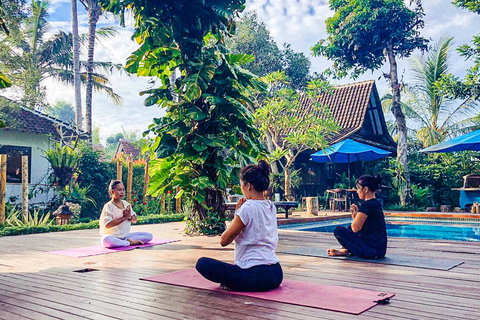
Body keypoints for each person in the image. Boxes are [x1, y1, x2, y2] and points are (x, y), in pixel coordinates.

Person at [195, 160, 283, 292]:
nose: (241, 188)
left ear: (248, 186)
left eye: (241, 184)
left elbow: (224, 240)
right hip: (276, 273)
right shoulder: (271, 206)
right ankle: (234, 281)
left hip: (255, 276)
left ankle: (234, 282)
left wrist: (237, 214)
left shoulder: (248, 207)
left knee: (202, 263)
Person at [327, 174, 387, 259]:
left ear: (365, 189)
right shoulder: (376, 204)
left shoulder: (367, 205)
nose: (357, 191)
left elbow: (355, 228)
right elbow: (366, 228)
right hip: (380, 251)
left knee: (339, 230)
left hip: (371, 252)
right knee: (349, 229)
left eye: (358, 188)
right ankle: (345, 250)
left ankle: (346, 250)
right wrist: (355, 217)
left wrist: (354, 217)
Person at [99, 180, 153, 248]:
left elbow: (135, 220)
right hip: (112, 237)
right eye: (119, 190)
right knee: (106, 240)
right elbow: (108, 225)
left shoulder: (126, 204)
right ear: (112, 192)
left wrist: (129, 217)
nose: (122, 192)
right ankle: (129, 243)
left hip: (125, 236)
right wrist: (124, 218)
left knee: (149, 236)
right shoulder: (108, 206)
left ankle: (126, 242)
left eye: (123, 190)